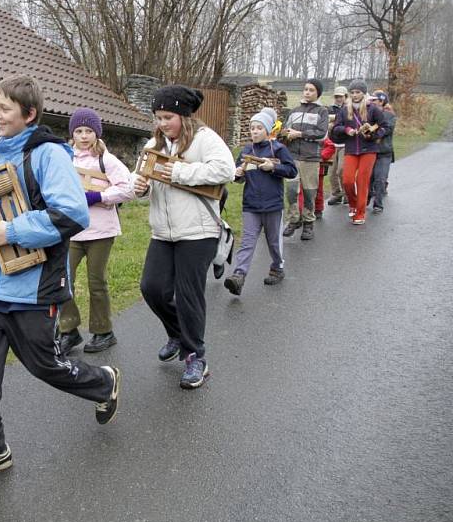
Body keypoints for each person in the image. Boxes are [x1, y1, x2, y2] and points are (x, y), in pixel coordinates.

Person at [0, 75, 120, 487]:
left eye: (5, 108)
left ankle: (103, 382)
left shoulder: (48, 155)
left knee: (45, 366)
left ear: (29, 114)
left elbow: (72, 215)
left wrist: (12, 231)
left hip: (34, 290)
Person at [133, 85, 235, 389]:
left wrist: (178, 173)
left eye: (168, 117)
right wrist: (139, 186)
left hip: (198, 230)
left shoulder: (204, 139)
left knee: (188, 294)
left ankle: (196, 358)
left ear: (184, 116)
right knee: (151, 288)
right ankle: (177, 333)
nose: (162, 123)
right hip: (163, 232)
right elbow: (141, 172)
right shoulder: (156, 142)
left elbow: (226, 169)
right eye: (158, 117)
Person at [58, 108, 136, 354]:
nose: (83, 136)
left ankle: (104, 332)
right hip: (72, 231)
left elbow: (129, 188)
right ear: (72, 134)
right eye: (79, 131)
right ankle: (68, 331)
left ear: (96, 133)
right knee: (62, 280)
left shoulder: (107, 160)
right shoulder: (65, 158)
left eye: (88, 131)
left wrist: (98, 196)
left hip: (101, 232)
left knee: (96, 282)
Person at [224, 111, 298, 295]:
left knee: (273, 242)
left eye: (259, 128)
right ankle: (239, 276)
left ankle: (277, 268)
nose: (255, 132)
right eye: (252, 128)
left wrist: (273, 167)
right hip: (251, 205)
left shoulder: (278, 149)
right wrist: (238, 174)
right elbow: (237, 176)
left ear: (268, 130)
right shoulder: (247, 150)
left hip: (273, 205)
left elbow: (292, 171)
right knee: (248, 242)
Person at [331, 79, 389, 225]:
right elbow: (336, 129)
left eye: (358, 92)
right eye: (352, 92)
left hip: (369, 149)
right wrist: (347, 130)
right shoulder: (344, 110)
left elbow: (385, 127)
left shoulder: (373, 109)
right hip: (351, 149)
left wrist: (372, 134)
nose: (355, 95)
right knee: (347, 180)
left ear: (364, 93)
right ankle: (353, 203)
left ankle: (360, 212)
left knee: (362, 181)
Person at [282, 79, 329, 240]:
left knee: (309, 192)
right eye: (306, 89)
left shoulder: (322, 111)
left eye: (311, 90)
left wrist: (300, 134)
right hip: (292, 156)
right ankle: (294, 220)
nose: (307, 92)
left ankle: (309, 223)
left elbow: (321, 133)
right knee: (291, 191)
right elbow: (286, 129)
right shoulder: (294, 110)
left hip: (310, 157)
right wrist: (285, 133)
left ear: (318, 93)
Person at [369, 90, 396, 213]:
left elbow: (387, 129)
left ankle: (378, 204)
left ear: (381, 101)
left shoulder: (389, 115)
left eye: (374, 100)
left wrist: (372, 132)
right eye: (371, 100)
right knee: (369, 178)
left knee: (380, 178)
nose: (372, 102)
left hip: (384, 152)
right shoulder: (368, 113)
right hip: (370, 151)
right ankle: (367, 198)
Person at [327, 86, 349, 205]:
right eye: (336, 96)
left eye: (341, 96)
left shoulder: (349, 109)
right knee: (332, 173)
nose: (338, 99)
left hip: (345, 143)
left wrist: (334, 120)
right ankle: (336, 194)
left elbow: (347, 122)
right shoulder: (330, 108)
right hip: (332, 143)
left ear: (346, 97)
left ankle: (347, 194)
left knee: (341, 170)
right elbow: (326, 122)